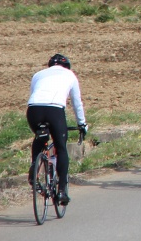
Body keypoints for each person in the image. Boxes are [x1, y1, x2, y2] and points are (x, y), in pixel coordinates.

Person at [26, 54, 87, 205]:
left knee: (40, 137)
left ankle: (34, 167)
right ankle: (61, 191)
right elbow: (77, 103)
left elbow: (35, 93)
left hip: (34, 109)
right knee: (61, 147)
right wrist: (82, 124)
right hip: (54, 110)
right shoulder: (70, 75)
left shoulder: (38, 74)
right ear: (67, 66)